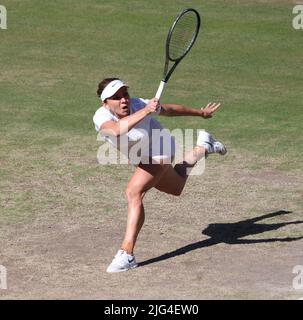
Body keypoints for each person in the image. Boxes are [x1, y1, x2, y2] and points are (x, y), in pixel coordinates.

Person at [93, 77, 227, 273]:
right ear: (105, 103)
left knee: (133, 192)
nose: (124, 100)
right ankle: (203, 147)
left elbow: (169, 110)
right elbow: (115, 131)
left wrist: (201, 113)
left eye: (125, 95)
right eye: (116, 97)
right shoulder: (101, 117)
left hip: (160, 147)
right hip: (140, 157)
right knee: (176, 187)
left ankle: (127, 253)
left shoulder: (138, 104)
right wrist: (145, 111)